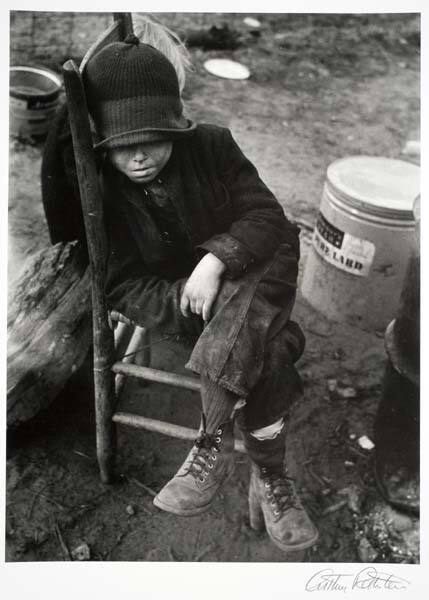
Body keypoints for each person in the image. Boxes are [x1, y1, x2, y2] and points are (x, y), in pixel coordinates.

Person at [41, 19, 319, 554]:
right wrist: (192, 302)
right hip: (202, 302)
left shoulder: (212, 145)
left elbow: (268, 218)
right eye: (124, 146)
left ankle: (209, 438)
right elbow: (120, 283)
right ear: (102, 143)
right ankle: (272, 476)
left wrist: (216, 260)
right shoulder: (100, 193)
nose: (140, 156)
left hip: (256, 265)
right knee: (276, 349)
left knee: (250, 289)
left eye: (154, 141)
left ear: (176, 126)